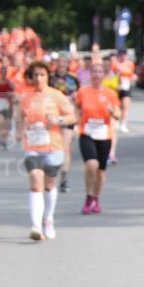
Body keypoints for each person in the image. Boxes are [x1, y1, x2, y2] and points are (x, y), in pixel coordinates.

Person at [16, 60, 76, 240]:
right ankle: (35, 226)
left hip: (53, 145)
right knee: (35, 179)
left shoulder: (57, 95)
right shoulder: (26, 98)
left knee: (49, 184)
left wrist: (57, 121)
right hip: (32, 145)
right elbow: (20, 117)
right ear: (31, 78)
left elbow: (72, 117)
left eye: (42, 75)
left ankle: (48, 219)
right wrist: (19, 131)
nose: (39, 78)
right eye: (35, 75)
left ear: (48, 76)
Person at [76, 58, 121, 214]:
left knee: (101, 170)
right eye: (94, 71)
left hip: (104, 134)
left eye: (100, 71)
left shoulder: (110, 94)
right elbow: (76, 108)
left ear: (104, 74)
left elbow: (118, 114)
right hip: (86, 133)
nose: (96, 74)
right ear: (90, 74)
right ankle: (89, 196)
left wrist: (112, 111)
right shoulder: (83, 91)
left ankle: (96, 198)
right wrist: (76, 122)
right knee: (91, 165)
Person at [51, 56, 81, 192]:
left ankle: (63, 179)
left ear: (68, 64)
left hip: (67, 117)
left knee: (65, 148)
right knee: (51, 147)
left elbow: (79, 100)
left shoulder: (73, 79)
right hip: (52, 117)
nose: (62, 64)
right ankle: (50, 176)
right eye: (59, 62)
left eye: (64, 61)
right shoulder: (50, 79)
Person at [0, 65, 16, 149]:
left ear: (6, 73)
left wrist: (11, 95)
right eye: (1, 72)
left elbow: (14, 91)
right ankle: (0, 140)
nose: (3, 74)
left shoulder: (9, 82)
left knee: (6, 124)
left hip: (7, 105)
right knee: (0, 122)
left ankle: (4, 141)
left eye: (4, 73)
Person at [117, 50, 136, 133]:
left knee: (125, 106)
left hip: (127, 86)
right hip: (116, 87)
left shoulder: (130, 64)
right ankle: (116, 122)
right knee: (117, 106)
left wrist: (133, 78)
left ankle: (123, 124)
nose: (122, 57)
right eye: (121, 55)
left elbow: (132, 74)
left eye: (124, 55)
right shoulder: (115, 64)